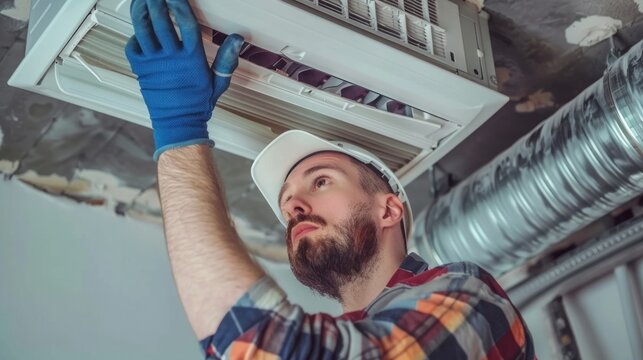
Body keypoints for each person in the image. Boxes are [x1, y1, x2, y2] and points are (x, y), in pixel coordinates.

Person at [125, 0, 535, 358]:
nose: (292, 207)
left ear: (388, 209)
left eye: (318, 182)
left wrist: (179, 126)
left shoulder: (469, 299)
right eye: (314, 185)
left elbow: (262, 346)